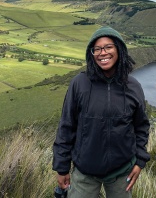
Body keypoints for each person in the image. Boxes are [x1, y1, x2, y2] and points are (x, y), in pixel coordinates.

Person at [53, 26, 150, 198]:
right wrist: (62, 167)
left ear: (119, 49)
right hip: (84, 173)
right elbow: (66, 126)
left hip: (122, 173)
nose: (102, 53)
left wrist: (140, 161)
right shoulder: (79, 83)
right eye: (96, 49)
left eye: (108, 47)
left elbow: (141, 126)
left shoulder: (133, 86)